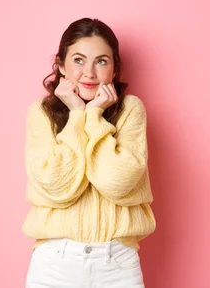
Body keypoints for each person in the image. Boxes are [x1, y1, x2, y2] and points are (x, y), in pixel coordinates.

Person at [22, 17, 156, 288]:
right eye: (79, 60)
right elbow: (56, 186)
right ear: (61, 65)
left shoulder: (130, 109)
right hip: (53, 264)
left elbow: (117, 182)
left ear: (115, 68)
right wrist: (75, 114)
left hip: (117, 264)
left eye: (102, 61)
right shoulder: (42, 113)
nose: (90, 73)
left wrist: (93, 115)